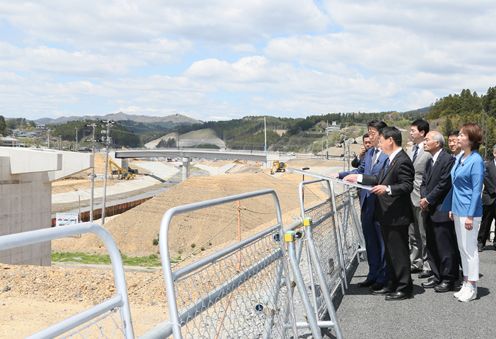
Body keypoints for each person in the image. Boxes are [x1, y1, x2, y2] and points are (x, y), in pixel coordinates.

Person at [346, 126, 414, 300]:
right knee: (391, 253)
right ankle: (393, 283)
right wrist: (358, 178)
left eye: (382, 140)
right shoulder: (392, 159)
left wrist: (388, 188)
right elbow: (378, 179)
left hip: (397, 215)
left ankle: (404, 287)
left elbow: (407, 185)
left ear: (390, 140)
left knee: (399, 253)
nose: (380, 144)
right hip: (386, 214)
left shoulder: (402, 160)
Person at [339, 121, 389, 291]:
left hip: (381, 205)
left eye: (372, 132)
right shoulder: (369, 154)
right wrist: (340, 175)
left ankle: (384, 278)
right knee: (370, 241)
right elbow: (360, 171)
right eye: (368, 132)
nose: (370, 135)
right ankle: (373, 274)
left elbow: (378, 177)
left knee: (382, 243)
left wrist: (357, 178)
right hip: (366, 203)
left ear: (381, 134)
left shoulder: (388, 155)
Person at [442, 123, 484, 302]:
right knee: (462, 248)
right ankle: (466, 282)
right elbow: (456, 187)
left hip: (469, 212)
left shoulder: (476, 160)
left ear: (471, 140)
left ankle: (472, 286)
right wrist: (452, 207)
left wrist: (470, 215)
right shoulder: (460, 158)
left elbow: (476, 190)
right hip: (458, 209)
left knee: (470, 249)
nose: (458, 138)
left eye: (461, 135)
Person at [419, 131, 459, 292]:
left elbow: (444, 184)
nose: (424, 142)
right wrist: (424, 198)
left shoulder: (447, 159)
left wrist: (428, 199)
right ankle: (437, 276)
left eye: (427, 140)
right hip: (429, 209)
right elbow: (423, 183)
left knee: (445, 247)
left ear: (437, 143)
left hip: (441, 209)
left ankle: (449, 278)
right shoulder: (429, 161)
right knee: (432, 246)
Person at [408, 119, 432, 278]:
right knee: (412, 232)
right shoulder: (410, 150)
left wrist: (428, 197)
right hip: (408, 196)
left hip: (421, 196)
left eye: (413, 130)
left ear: (422, 133)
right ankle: (415, 262)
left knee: (424, 233)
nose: (410, 133)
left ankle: (428, 265)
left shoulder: (429, 151)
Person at [477, 144, 496, 251]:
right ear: (494, 153)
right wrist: (494, 190)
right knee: (485, 222)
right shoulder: (487, 165)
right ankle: (481, 242)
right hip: (489, 197)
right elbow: (485, 178)